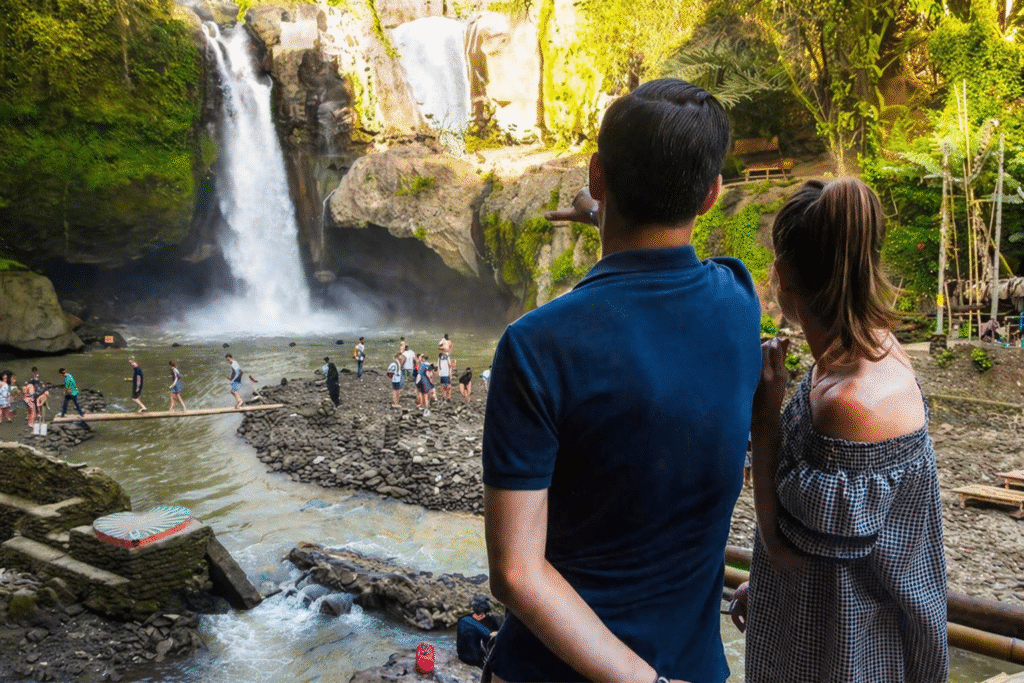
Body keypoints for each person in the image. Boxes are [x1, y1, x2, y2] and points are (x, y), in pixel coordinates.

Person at [482, 79, 761, 683]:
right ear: (712, 194)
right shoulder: (739, 299)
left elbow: (516, 573)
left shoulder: (535, 347)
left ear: (597, 175)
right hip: (696, 669)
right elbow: (655, 283)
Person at [730, 178, 948, 682]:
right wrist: (762, 588)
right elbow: (831, 543)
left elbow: (785, 550)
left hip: (849, 657)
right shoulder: (871, 348)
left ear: (781, 276)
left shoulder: (849, 404)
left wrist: (764, 420)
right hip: (828, 624)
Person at [456, 594, 504, 669]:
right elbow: (490, 636)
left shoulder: (463, 619)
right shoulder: (477, 626)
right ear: (482, 614)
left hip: (461, 657)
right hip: (474, 661)